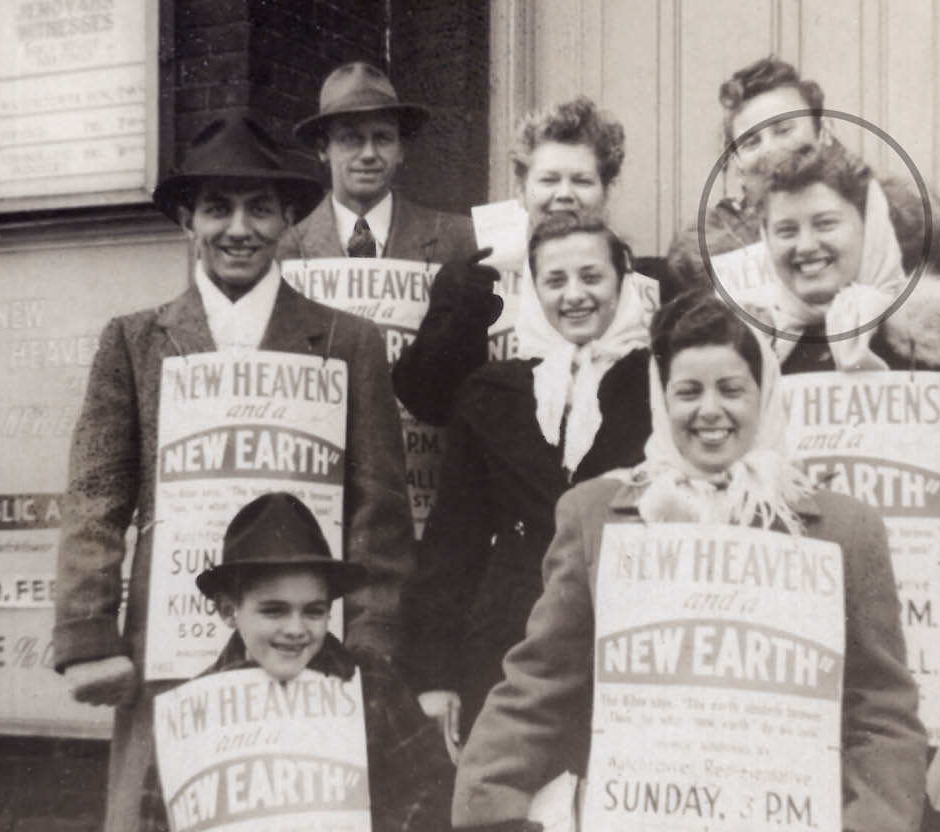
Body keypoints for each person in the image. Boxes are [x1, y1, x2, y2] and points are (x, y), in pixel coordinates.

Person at [52, 113, 414, 831]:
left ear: (287, 218)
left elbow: (380, 512)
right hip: (173, 646)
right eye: (217, 208)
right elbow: (96, 495)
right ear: (188, 219)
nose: (238, 228)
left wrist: (370, 646)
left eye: (258, 208)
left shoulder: (348, 340)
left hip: (308, 645)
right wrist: (89, 634)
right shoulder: (134, 341)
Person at [451, 290, 928, 832]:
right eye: (688, 392)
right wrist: (491, 807)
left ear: (765, 394)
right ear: (661, 399)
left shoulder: (843, 530)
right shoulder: (599, 516)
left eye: (731, 390)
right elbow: (538, 684)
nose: (709, 411)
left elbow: (881, 713)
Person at [739, 141, 940, 831]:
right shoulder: (748, 357)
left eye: (825, 224)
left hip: (926, 673)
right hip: (794, 679)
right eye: (785, 230)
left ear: (867, 226)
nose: (805, 246)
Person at [399, 214, 653, 757]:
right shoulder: (493, 392)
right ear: (534, 292)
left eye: (592, 277)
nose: (575, 295)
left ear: (622, 281)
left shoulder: (659, 382)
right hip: (511, 639)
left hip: (629, 636)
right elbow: (453, 544)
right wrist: (436, 675)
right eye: (555, 281)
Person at [139, 492, 451, 832]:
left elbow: (433, 791)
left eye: (314, 611)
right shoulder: (190, 714)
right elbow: (155, 821)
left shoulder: (371, 683)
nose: (296, 629)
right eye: (274, 610)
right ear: (229, 610)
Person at [393, 96, 660, 427]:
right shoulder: (471, 280)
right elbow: (427, 404)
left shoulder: (650, 282)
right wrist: (463, 320)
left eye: (582, 180)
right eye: (548, 180)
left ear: (607, 190)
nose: (564, 194)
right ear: (521, 189)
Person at [665, 55, 940, 298]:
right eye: (751, 142)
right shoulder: (707, 256)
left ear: (824, 132)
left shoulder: (897, 221)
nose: (771, 150)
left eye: (784, 130)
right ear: (738, 163)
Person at [277, 61, 477, 265]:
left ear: (401, 149)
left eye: (383, 138)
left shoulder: (460, 241)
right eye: (351, 138)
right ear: (323, 149)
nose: (369, 154)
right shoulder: (283, 253)